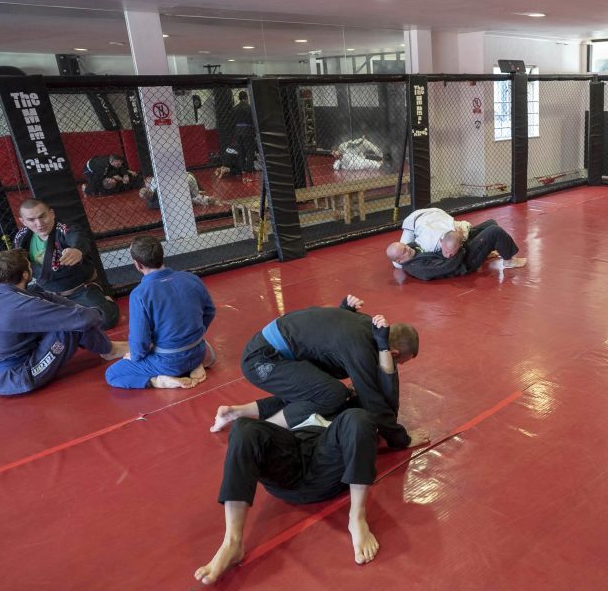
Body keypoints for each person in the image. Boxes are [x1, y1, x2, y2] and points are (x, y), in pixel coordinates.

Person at [194, 399, 422, 584]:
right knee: (244, 428)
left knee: (358, 417)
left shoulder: (345, 395)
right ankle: (232, 541)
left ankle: (357, 518)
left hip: (328, 462)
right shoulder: (303, 391)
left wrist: (402, 438)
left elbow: (383, 404)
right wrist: (236, 411)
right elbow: (269, 406)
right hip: (288, 457)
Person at [236, 294, 424, 449]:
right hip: (261, 359)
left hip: (270, 347)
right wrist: (400, 439)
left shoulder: (370, 325)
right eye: (398, 362)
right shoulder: (362, 349)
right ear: (393, 353)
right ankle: (262, 429)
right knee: (331, 395)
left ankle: (233, 413)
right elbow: (372, 399)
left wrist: (344, 308)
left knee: (317, 388)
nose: (396, 366)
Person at [0, 249, 128, 395]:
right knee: (71, 325)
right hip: (18, 377)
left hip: (0, 374)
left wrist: (80, 309)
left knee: (68, 314)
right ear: (26, 274)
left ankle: (108, 348)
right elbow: (83, 319)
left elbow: (47, 298)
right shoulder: (20, 306)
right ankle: (110, 350)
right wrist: (101, 312)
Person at [104, 236, 217, 389]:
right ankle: (195, 365)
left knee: (112, 374)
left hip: (169, 362)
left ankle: (158, 381)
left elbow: (140, 340)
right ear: (161, 255)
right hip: (198, 351)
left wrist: (135, 357)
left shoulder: (140, 294)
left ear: (137, 265)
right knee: (205, 347)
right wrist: (195, 333)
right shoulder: (191, 278)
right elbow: (210, 311)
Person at [14, 198, 120, 329]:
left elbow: (78, 236)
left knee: (105, 319)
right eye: (31, 220)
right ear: (22, 221)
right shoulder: (22, 237)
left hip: (79, 291)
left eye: (42, 216)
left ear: (51, 213)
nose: (39, 223)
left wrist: (77, 250)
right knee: (19, 321)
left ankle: (106, 301)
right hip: (45, 292)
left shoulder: (64, 229)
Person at [385, 219, 526, 281]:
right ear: (399, 260)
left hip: (456, 252)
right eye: (403, 252)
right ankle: (509, 260)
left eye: (405, 247)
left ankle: (487, 252)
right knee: (494, 231)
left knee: (490, 223)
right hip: (463, 262)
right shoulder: (418, 267)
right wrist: (459, 244)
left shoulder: (412, 248)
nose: (407, 249)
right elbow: (448, 266)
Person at [139, 172, 220, 210]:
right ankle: (204, 197)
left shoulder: (151, 204)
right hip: (185, 178)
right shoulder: (155, 187)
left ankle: (203, 197)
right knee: (192, 197)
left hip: (182, 184)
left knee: (193, 197)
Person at [230, 91, 257, 174]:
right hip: (248, 130)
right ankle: (249, 168)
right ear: (246, 97)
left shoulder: (234, 108)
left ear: (239, 98)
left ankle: (242, 168)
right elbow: (253, 120)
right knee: (249, 150)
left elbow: (232, 121)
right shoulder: (249, 107)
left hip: (238, 131)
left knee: (240, 150)